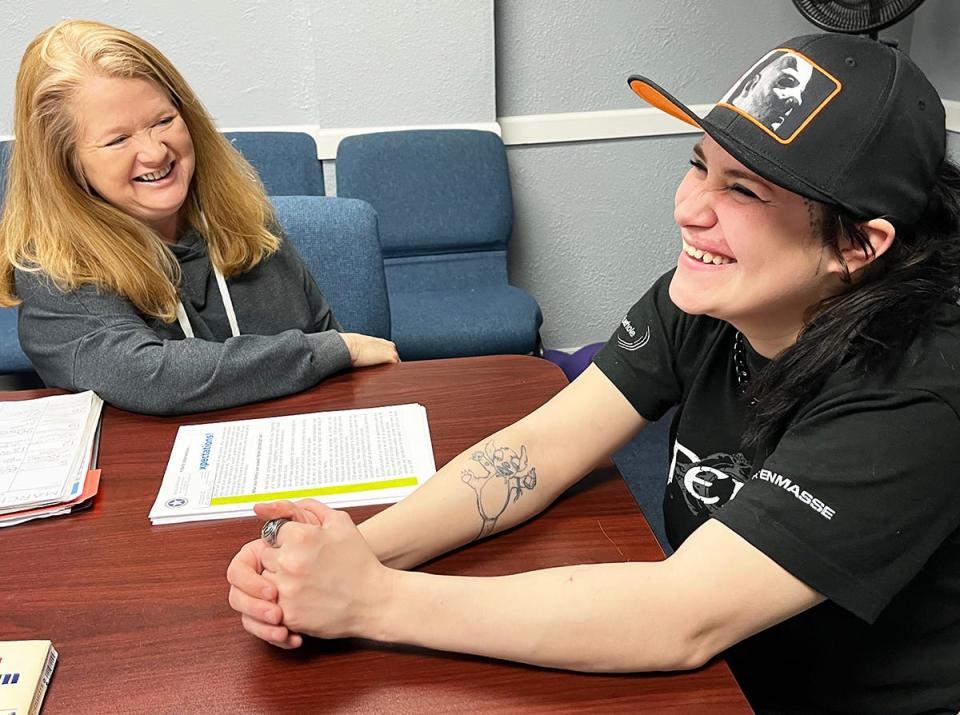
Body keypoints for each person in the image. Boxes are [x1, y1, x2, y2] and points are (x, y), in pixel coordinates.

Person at [227, 34, 960, 713]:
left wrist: (373, 601)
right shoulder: (711, 297)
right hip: (736, 669)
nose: (689, 210)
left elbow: (683, 615)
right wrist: (349, 554)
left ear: (859, 245)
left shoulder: (917, 388)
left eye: (744, 191)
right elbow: (545, 447)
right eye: (699, 164)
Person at [0, 20, 398, 415]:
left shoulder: (242, 217)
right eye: (119, 139)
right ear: (65, 164)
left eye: (163, 121)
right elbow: (148, 377)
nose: (156, 152)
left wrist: (331, 353)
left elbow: (325, 342)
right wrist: (333, 351)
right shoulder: (53, 266)